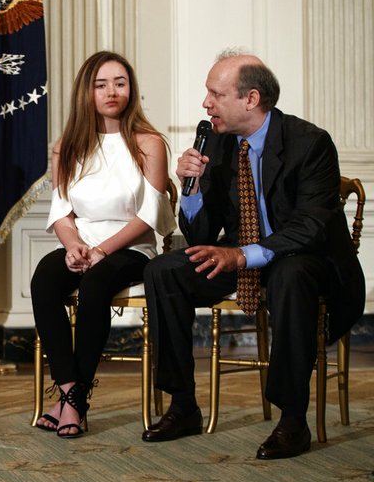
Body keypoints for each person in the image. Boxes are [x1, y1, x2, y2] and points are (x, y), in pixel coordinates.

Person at [141, 49, 365, 459]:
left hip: (308, 259)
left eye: (215, 94)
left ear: (251, 98)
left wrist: (244, 256)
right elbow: (201, 235)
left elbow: (309, 227)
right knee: (164, 271)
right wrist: (189, 188)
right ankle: (183, 405)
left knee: (289, 274)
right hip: (243, 252)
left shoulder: (310, 143)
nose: (205, 103)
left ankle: (292, 420)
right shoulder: (220, 143)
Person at [31, 51, 176, 438]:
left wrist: (101, 251)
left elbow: (149, 216)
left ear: (131, 88)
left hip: (130, 248)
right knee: (45, 277)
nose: (112, 91)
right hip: (83, 244)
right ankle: (69, 391)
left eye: (120, 82)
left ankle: (72, 404)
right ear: (87, 92)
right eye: (101, 84)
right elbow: (61, 211)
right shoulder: (68, 147)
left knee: (95, 285)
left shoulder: (149, 144)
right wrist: (74, 245)